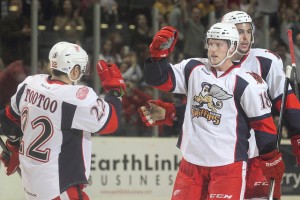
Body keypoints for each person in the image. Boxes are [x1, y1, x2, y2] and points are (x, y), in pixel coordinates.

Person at [139, 11, 300, 199]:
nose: (245, 37)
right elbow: (207, 108)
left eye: (248, 31)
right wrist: (158, 58)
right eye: (239, 32)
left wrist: (295, 137)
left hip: (249, 156)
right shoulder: (195, 68)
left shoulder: (263, 64)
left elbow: (285, 105)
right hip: (199, 160)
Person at [0, 41, 126, 199]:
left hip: (32, 188)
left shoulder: (29, 84)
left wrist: (14, 144)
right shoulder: (75, 97)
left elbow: (7, 119)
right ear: (74, 70)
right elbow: (111, 122)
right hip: (60, 189)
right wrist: (115, 90)